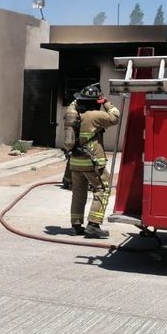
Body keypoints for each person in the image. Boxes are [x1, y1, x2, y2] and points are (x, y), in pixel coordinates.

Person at [63, 83, 120, 238]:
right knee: (103, 189)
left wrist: (78, 98)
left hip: (74, 162)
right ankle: (94, 224)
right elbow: (115, 116)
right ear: (96, 102)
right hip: (92, 162)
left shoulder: (72, 113)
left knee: (78, 192)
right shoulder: (96, 115)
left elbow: (74, 103)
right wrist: (106, 102)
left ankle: (76, 225)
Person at [60, 99, 78, 189]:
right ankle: (70, 181)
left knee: (71, 161)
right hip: (74, 142)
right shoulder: (74, 112)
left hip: (70, 143)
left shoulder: (71, 109)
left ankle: (67, 181)